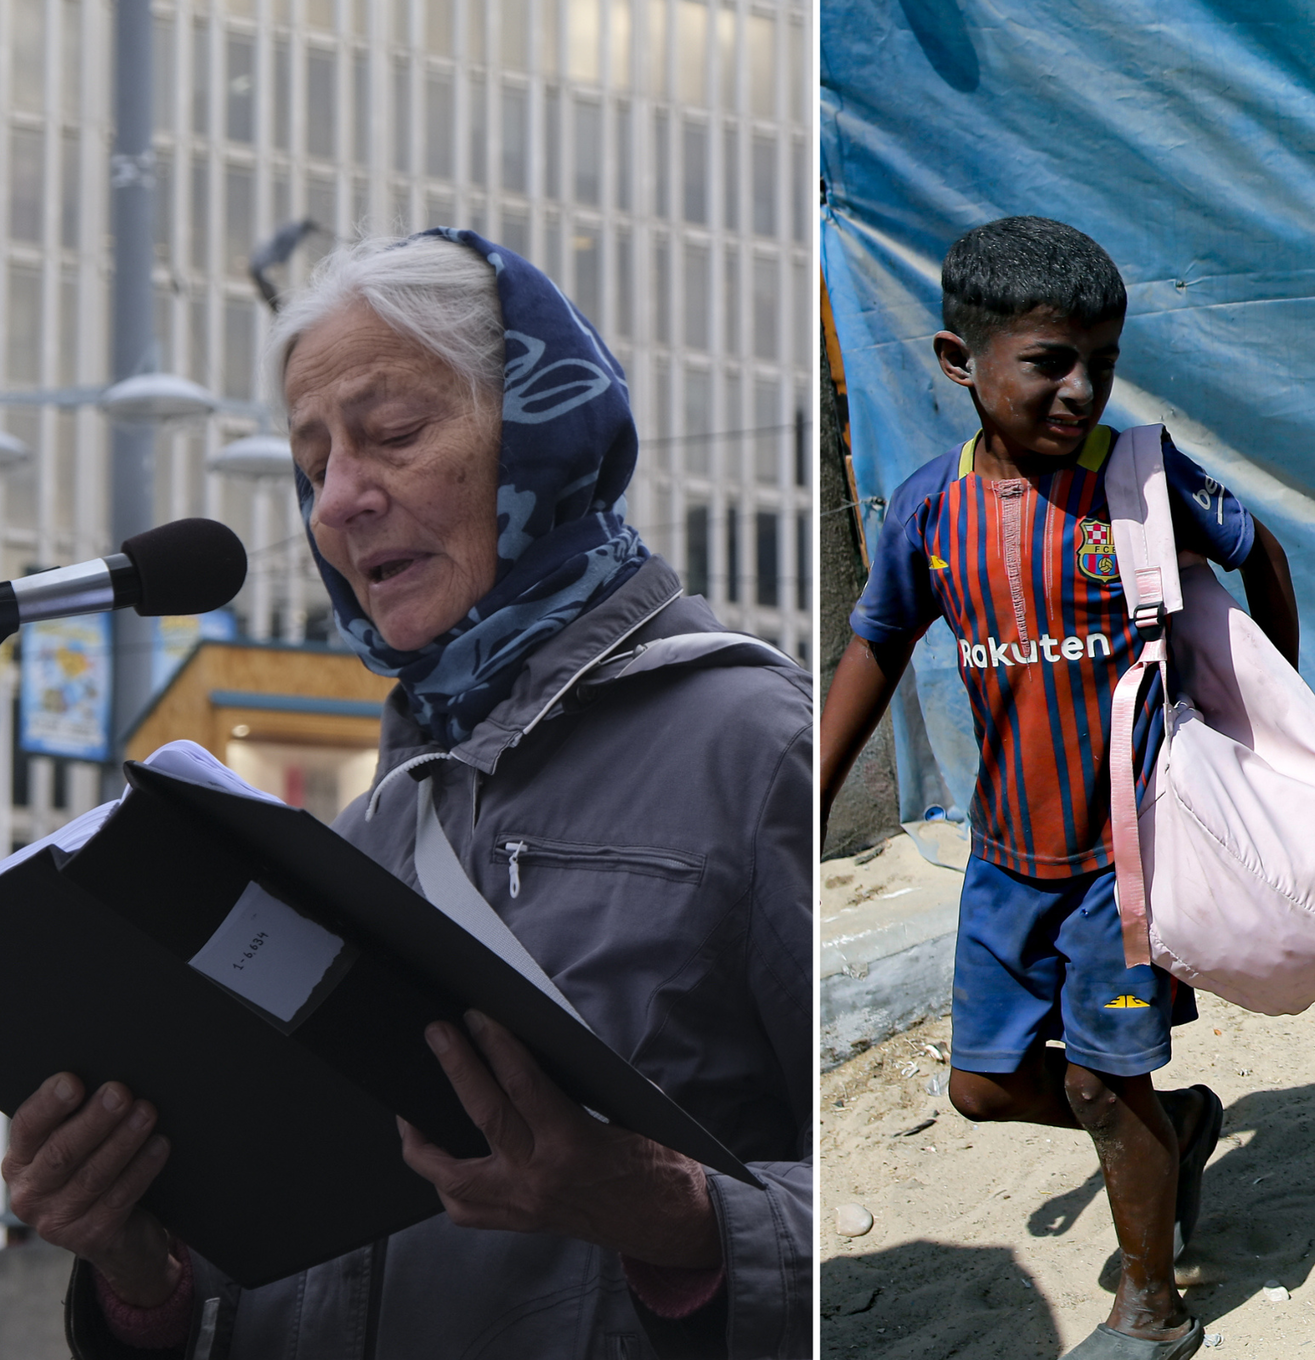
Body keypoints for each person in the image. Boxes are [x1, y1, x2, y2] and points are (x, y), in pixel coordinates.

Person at [0, 230, 813, 1359]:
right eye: (312, 459)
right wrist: (144, 1277)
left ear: (538, 426)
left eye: (392, 434)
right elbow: (286, 1261)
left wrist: (665, 1212)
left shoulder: (752, 744)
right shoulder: (357, 834)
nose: (337, 500)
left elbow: (872, 1223)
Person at [818, 216, 1298, 1360]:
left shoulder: (1136, 482)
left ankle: (1151, 1306)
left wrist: (1272, 723)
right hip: (1005, 857)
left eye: (1103, 360)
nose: (1083, 389)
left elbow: (1260, 553)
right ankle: (1175, 1124)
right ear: (958, 361)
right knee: (984, 1085)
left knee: (1099, 1077)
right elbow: (876, 646)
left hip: (1125, 858)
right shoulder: (932, 513)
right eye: (1049, 362)